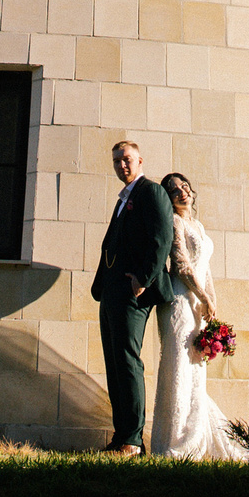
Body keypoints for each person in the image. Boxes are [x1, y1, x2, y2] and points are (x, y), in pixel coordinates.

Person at [149, 173, 249, 461]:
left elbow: (204, 267)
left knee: (196, 370)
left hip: (198, 305)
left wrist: (212, 299)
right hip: (179, 301)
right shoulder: (175, 222)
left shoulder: (199, 225)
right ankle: (176, 440)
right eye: (174, 191)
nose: (181, 193)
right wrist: (203, 296)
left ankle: (196, 435)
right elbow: (182, 265)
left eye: (184, 187)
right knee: (179, 366)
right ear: (168, 198)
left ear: (192, 191)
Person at [92, 138, 179, 455]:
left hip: (133, 292)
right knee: (114, 363)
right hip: (111, 292)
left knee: (128, 361)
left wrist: (143, 279)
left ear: (140, 161)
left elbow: (162, 237)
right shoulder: (121, 199)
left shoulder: (150, 192)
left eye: (126, 159)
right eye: (116, 161)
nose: (121, 165)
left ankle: (132, 440)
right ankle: (122, 435)